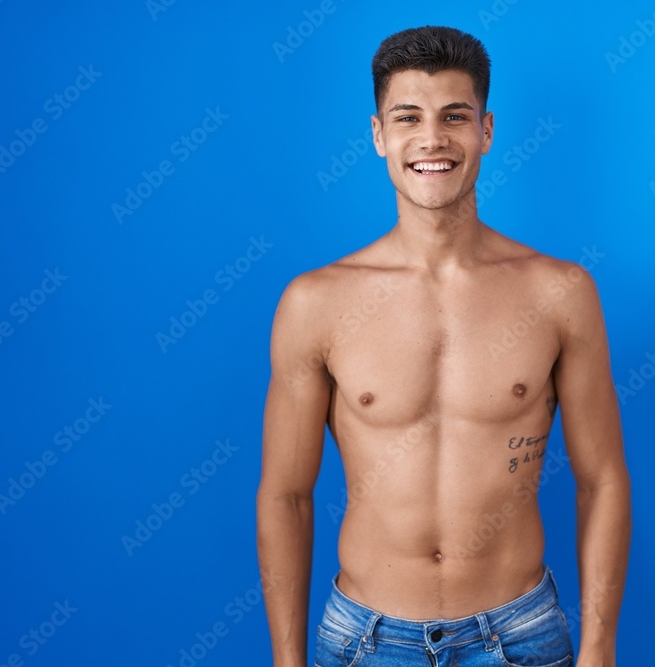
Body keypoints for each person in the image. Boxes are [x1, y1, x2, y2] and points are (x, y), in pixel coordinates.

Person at [257, 25, 631, 667]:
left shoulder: (560, 292)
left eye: (454, 117)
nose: (432, 140)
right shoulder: (315, 302)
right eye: (409, 118)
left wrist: (599, 648)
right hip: (365, 642)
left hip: (520, 635)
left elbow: (602, 481)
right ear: (379, 135)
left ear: (485, 131)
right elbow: (285, 495)